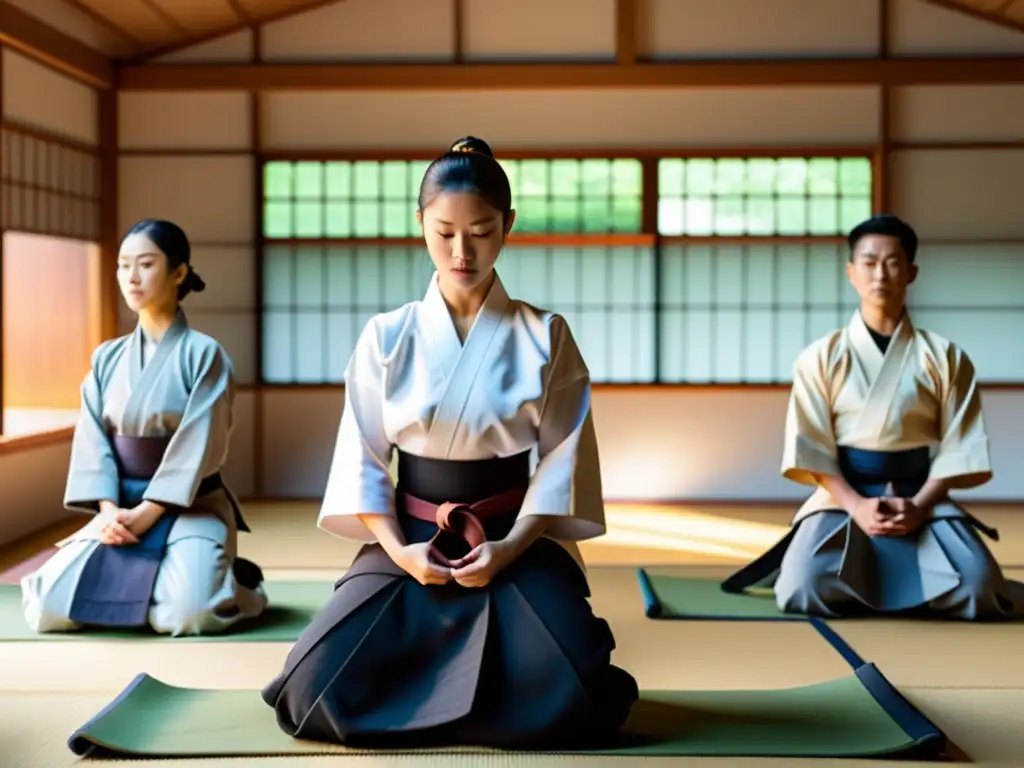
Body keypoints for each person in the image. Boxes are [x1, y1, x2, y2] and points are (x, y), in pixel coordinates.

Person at [261, 137, 638, 749]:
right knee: (312, 690)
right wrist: (399, 551)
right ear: (420, 226)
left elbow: (563, 459)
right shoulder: (388, 335)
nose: (462, 252)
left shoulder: (546, 334)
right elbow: (362, 458)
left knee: (584, 691)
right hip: (409, 538)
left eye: (482, 231)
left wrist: (511, 547)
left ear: (508, 226)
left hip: (514, 536)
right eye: (444, 233)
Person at [722, 214, 1023, 620]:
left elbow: (959, 446)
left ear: (912, 272)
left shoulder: (946, 357)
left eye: (893, 261)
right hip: (842, 492)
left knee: (979, 590)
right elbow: (810, 445)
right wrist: (856, 505)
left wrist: (917, 505)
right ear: (851, 272)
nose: (880, 273)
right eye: (868, 261)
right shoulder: (821, 356)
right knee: (801, 589)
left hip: (921, 494)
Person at [21, 219, 268, 636]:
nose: (131, 276)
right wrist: (109, 510)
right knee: (46, 607)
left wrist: (147, 514)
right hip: (119, 507)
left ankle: (244, 587)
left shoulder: (204, 355)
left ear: (178, 273)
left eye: (146, 264)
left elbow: (199, 445)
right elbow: (92, 440)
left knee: (187, 616)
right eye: (122, 265)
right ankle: (185, 575)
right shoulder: (107, 358)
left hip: (189, 504)